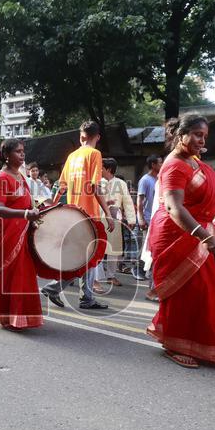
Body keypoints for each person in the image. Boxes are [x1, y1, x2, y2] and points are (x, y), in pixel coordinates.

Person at [147, 115, 215, 368]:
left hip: (196, 233)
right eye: (196, 134)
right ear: (180, 136)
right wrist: (206, 237)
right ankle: (175, 344)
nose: (201, 140)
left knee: (204, 291)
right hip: (177, 234)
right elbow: (174, 207)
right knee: (188, 292)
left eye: (204, 136)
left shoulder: (193, 162)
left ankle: (194, 341)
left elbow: (202, 192)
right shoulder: (174, 165)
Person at [40, 121, 116, 310]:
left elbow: (61, 186)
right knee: (87, 257)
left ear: (81, 136)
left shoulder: (72, 156)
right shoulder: (94, 154)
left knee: (84, 257)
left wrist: (52, 207)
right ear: (97, 137)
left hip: (73, 214)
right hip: (88, 215)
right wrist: (107, 213)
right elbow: (95, 186)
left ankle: (80, 295)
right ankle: (59, 289)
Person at [0, 139, 43, 329]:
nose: (22, 155)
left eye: (23, 151)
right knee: (11, 274)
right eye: (18, 152)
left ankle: (20, 317)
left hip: (21, 230)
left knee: (23, 273)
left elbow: (27, 202)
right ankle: (10, 317)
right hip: (5, 232)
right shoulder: (1, 177)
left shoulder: (20, 176)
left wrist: (35, 213)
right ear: (7, 155)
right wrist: (25, 214)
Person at [94, 158, 135, 290]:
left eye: (101, 167)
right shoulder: (97, 183)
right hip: (99, 218)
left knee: (114, 250)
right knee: (97, 248)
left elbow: (127, 202)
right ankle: (97, 278)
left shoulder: (121, 183)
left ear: (108, 169)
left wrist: (131, 219)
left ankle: (111, 275)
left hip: (115, 220)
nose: (99, 170)